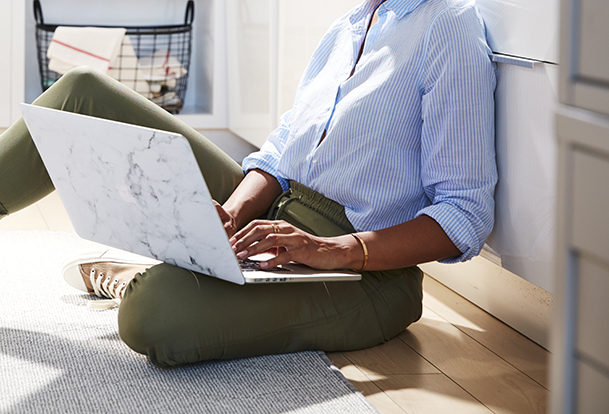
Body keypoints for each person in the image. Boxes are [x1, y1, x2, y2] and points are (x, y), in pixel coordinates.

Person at [0, 0, 496, 367]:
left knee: (151, 312)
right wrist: (234, 211)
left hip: (367, 276)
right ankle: (191, 263)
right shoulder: (348, 25)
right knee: (81, 90)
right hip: (272, 215)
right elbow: (281, 152)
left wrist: (336, 249)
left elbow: (464, 212)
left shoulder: (449, 26)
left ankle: (144, 278)